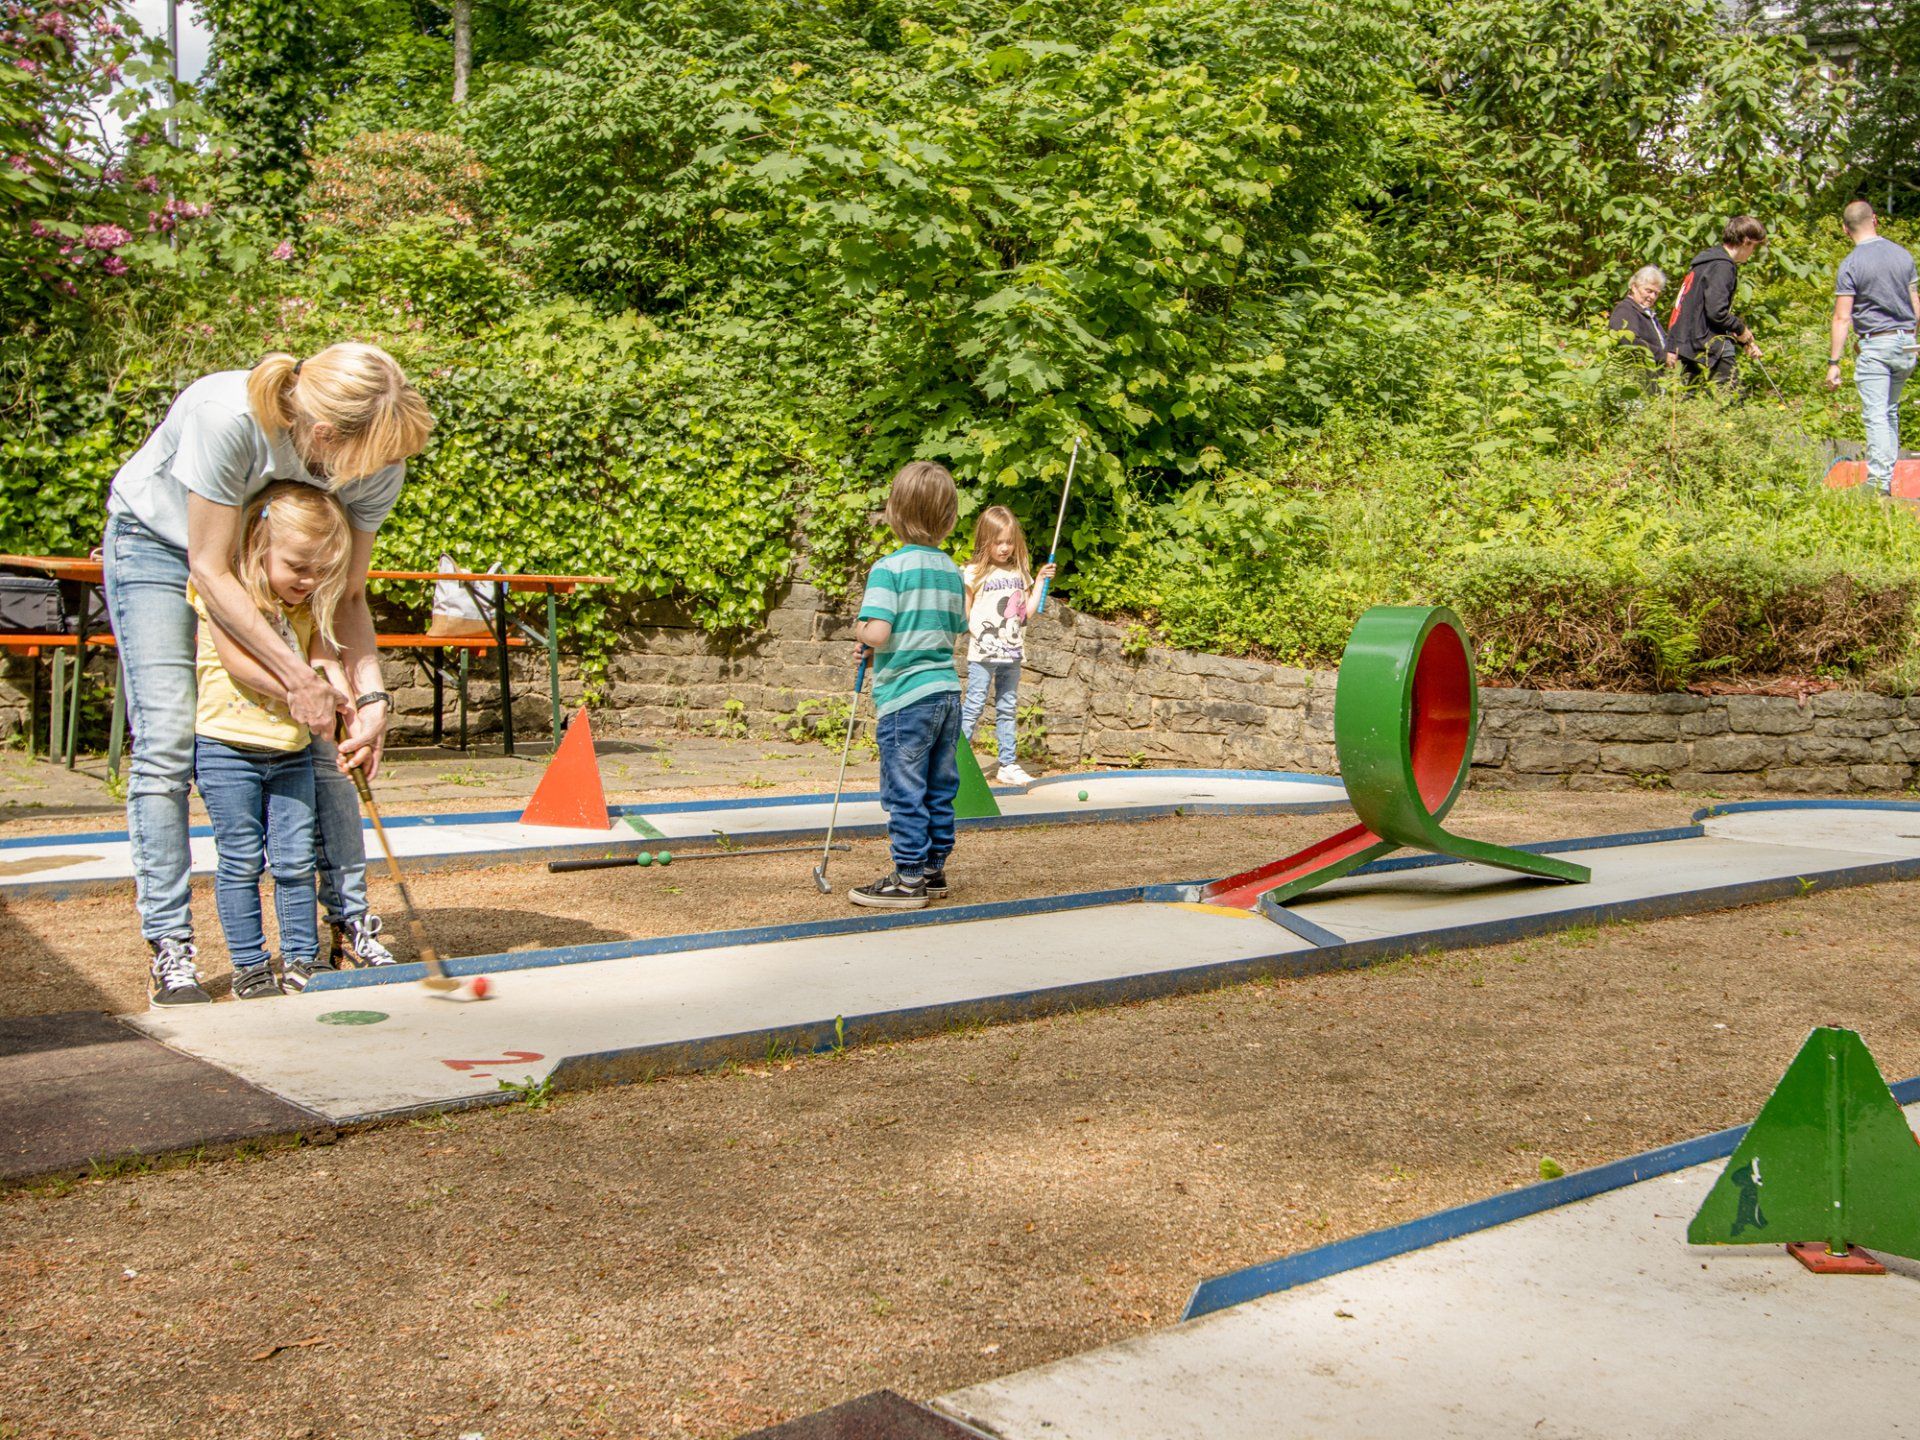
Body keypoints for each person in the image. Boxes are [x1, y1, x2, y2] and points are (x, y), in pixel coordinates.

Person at [104, 345, 431, 1005]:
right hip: (164, 549)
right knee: (167, 739)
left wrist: (370, 696)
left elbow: (347, 597)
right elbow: (211, 566)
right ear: (322, 435)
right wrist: (297, 676)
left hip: (281, 557)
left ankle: (345, 922)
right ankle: (171, 946)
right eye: (371, 458)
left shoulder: (378, 460)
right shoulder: (228, 416)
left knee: (331, 737)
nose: (381, 473)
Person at [192, 485, 357, 998]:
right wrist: (303, 691)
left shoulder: (305, 608)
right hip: (227, 750)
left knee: (294, 861)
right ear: (259, 544)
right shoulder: (223, 597)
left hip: (290, 754)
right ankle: (249, 966)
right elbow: (238, 664)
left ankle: (303, 959)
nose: (309, 582)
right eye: (298, 567)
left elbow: (324, 659)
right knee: (241, 860)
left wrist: (345, 696)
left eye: (321, 572)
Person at [849, 462, 967, 911]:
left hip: (905, 698)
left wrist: (861, 631)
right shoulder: (951, 571)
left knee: (905, 789)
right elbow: (953, 627)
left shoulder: (889, 568)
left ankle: (908, 878)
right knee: (939, 785)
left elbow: (878, 633)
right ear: (950, 517)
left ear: (894, 511)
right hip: (945, 693)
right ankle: (935, 869)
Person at [1825, 200, 1919, 495]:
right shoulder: (1903, 255)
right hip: (1907, 343)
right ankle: (1885, 478)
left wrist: (1834, 361)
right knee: (1890, 411)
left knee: (1876, 414)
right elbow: (1915, 304)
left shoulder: (1851, 264)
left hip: (1876, 345)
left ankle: (1878, 484)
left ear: (1844, 229)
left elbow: (1842, 317)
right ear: (1875, 220)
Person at [959, 506, 1055, 788]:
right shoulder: (973, 572)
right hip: (984, 652)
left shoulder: (1018, 571)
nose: (1004, 548)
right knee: (974, 705)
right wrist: (980, 632)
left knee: (1007, 707)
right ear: (984, 540)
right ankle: (955, 762)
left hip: (1011, 652)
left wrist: (1039, 581)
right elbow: (965, 614)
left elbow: (1027, 613)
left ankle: (1008, 764)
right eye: (997, 542)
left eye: (1009, 542)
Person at [1669, 216, 1768, 387]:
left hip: (1687, 344)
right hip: (1707, 345)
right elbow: (1716, 312)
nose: (1753, 252)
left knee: (1691, 401)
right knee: (1729, 398)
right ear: (1745, 241)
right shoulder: (1723, 266)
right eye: (1754, 246)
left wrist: (1743, 339)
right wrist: (1740, 328)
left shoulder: (1705, 262)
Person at [1607, 266, 1677, 372]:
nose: (1652, 297)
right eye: (1648, 291)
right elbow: (1629, 342)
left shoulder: (1646, 313)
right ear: (1634, 287)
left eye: (1656, 293)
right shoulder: (1626, 309)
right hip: (1636, 376)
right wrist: (1663, 356)